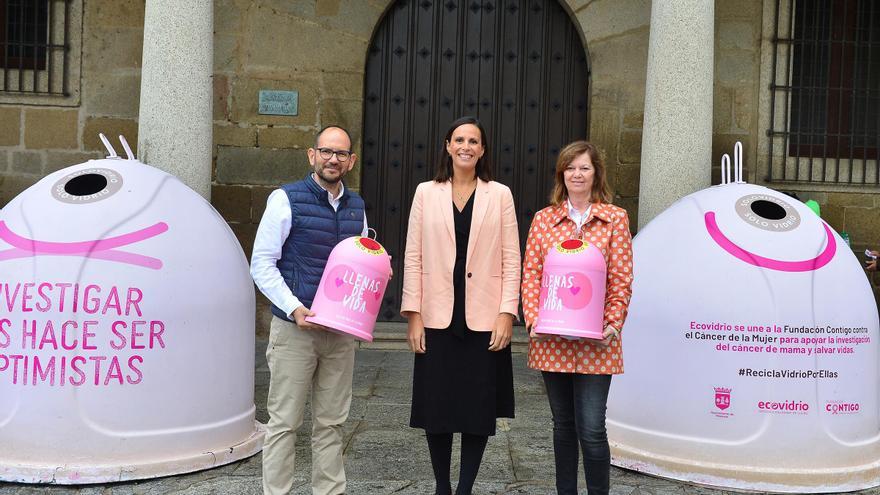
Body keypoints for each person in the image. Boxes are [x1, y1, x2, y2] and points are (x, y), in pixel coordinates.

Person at [401, 116, 521, 495]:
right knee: (437, 410)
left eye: (474, 140)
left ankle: (465, 488)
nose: (466, 146)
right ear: (448, 146)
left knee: (476, 410)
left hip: (483, 318)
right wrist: (414, 316)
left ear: (482, 149)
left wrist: (506, 313)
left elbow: (511, 258)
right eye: (459, 140)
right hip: (437, 317)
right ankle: (442, 486)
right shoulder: (426, 192)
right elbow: (413, 256)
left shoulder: (499, 194)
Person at [251, 125, 367, 495]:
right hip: (295, 331)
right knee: (285, 423)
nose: (333, 159)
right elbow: (262, 264)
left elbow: (358, 262)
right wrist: (295, 308)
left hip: (339, 333)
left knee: (332, 424)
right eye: (326, 151)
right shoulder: (285, 199)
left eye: (341, 153)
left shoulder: (357, 207)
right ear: (311, 155)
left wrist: (378, 269)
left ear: (351, 161)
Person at [521, 141, 633, 495]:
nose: (577, 174)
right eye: (570, 168)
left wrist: (613, 324)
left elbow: (622, 277)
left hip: (597, 343)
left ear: (596, 172)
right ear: (562, 174)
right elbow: (531, 276)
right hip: (552, 342)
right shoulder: (544, 220)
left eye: (584, 167)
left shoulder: (614, 218)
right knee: (563, 427)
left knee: (592, 430)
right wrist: (533, 320)